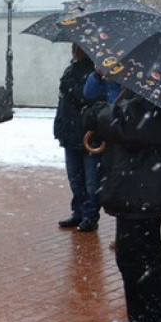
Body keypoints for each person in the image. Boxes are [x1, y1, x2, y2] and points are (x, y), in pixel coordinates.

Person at [89, 91, 161, 322]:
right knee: (132, 255)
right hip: (141, 186)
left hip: (146, 187)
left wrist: (99, 114)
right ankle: (141, 321)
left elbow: (136, 126)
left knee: (142, 257)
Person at [54, 44, 99, 233]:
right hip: (70, 133)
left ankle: (90, 214)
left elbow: (84, 96)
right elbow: (64, 102)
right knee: (75, 177)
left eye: (78, 46)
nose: (74, 49)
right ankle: (79, 211)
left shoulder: (93, 73)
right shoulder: (70, 69)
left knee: (90, 179)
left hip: (87, 133)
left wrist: (69, 86)